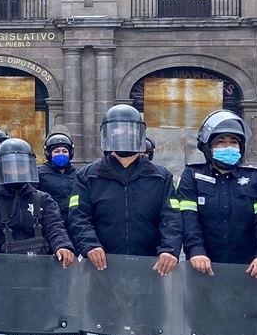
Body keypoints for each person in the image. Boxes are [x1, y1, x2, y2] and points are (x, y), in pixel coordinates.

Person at [66, 104, 181, 275]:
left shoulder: (160, 176)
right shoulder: (88, 176)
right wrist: (89, 245)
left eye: (129, 129)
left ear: (139, 133)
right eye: (117, 130)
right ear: (107, 133)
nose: (123, 134)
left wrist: (169, 249)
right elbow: (78, 216)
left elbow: (172, 218)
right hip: (101, 266)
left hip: (151, 267)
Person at [175, 110, 257, 279]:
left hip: (249, 270)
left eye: (233, 142)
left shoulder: (255, 178)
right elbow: (188, 218)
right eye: (221, 142)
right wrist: (196, 250)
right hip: (202, 268)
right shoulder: (191, 175)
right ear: (208, 147)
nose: (228, 146)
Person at [0, 139, 75, 268]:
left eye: (21, 166)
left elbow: (55, 227)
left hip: (39, 272)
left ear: (29, 167)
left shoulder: (44, 199)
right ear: (1, 168)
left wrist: (62, 246)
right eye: (10, 166)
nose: (16, 170)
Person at [37, 130, 78, 218]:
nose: (61, 154)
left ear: (70, 153)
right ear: (49, 154)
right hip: (48, 219)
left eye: (64, 151)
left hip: (72, 220)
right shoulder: (39, 173)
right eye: (56, 151)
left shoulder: (77, 175)